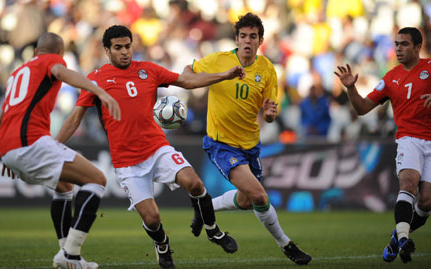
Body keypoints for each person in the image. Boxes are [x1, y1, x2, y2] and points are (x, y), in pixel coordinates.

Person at [55, 25, 244, 269]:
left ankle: (213, 230)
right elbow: (75, 117)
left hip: (157, 148)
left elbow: (185, 80)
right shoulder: (96, 79)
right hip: (127, 163)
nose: (125, 52)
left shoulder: (148, 70)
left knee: (195, 184)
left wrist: (224, 75)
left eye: (128, 46)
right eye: (118, 48)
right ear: (107, 50)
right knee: (152, 219)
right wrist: (53, 147)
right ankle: (162, 245)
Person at [183, 12, 312, 265]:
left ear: (260, 40)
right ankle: (286, 244)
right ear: (237, 38)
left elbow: (270, 112)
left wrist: (271, 113)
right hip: (221, 143)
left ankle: (204, 206)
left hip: (250, 144)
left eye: (253, 37)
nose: (248, 41)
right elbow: (188, 72)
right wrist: (209, 78)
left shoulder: (267, 69)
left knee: (244, 200)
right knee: (260, 197)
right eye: (243, 36)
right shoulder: (219, 60)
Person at [0, 32, 121, 269]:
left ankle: (67, 254)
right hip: (31, 141)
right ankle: (71, 253)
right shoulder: (51, 62)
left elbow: (3, 117)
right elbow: (60, 73)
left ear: (35, 51)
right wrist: (99, 91)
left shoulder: (16, 74)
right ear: (60, 53)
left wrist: (8, 152)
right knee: (97, 180)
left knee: (64, 187)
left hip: (9, 147)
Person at [335, 27, 431, 264]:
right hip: (409, 139)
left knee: (427, 201)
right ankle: (403, 240)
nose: (398, 48)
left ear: (417, 47)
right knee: (408, 183)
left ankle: (396, 236)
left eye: (404, 44)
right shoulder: (390, 78)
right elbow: (362, 109)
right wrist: (350, 87)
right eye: (396, 44)